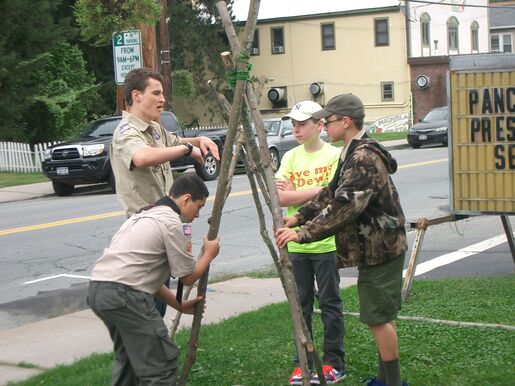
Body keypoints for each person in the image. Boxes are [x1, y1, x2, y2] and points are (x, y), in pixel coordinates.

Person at [275, 94, 408, 386]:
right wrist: (298, 217)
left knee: (377, 318)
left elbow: (343, 207)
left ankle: (392, 383)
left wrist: (303, 233)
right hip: (376, 249)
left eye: (329, 121)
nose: (324, 126)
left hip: (382, 249)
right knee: (382, 316)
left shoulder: (362, 158)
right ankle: (385, 380)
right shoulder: (352, 151)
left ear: (346, 122)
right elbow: (329, 192)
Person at [88, 173, 220, 386]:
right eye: (198, 206)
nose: (197, 214)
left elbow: (145, 275)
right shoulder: (171, 222)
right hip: (125, 296)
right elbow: (187, 277)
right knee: (161, 365)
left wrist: (179, 305)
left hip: (99, 291)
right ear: (186, 199)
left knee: (130, 360)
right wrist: (209, 254)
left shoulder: (142, 215)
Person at [110, 67, 219, 317]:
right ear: (136, 95)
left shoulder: (155, 129)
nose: (162, 100)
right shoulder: (127, 133)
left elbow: (179, 144)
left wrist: (199, 142)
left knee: (156, 304)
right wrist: (184, 150)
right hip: (145, 228)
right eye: (156, 93)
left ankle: (152, 349)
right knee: (146, 307)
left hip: (163, 225)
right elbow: (142, 157)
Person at [275, 101, 345, 385]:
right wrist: (317, 191)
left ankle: (333, 363)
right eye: (293, 123)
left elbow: (334, 195)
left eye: (302, 124)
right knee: (300, 304)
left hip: (326, 243)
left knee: (330, 304)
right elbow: (280, 198)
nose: (296, 129)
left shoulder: (335, 155)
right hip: (296, 244)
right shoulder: (290, 157)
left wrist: (299, 191)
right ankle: (301, 363)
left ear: (319, 125)